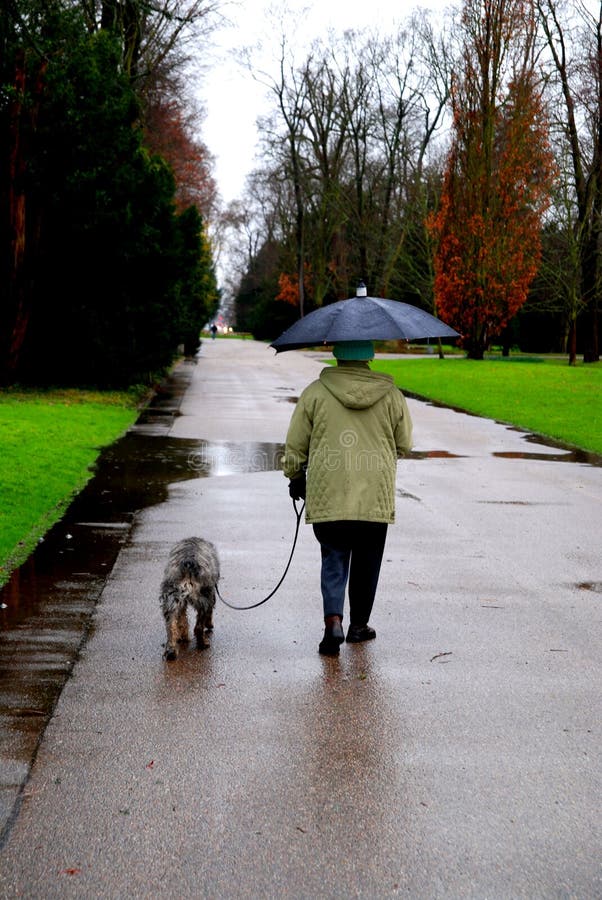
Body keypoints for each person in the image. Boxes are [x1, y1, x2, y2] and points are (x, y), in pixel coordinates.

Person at [283, 340, 413, 655]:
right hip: (374, 497)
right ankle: (358, 626)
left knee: (333, 558)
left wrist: (295, 477)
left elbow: (295, 444)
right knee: (368, 562)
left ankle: (333, 622)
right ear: (369, 355)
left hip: (329, 495)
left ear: (337, 354)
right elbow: (405, 443)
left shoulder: (315, 392)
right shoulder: (392, 395)